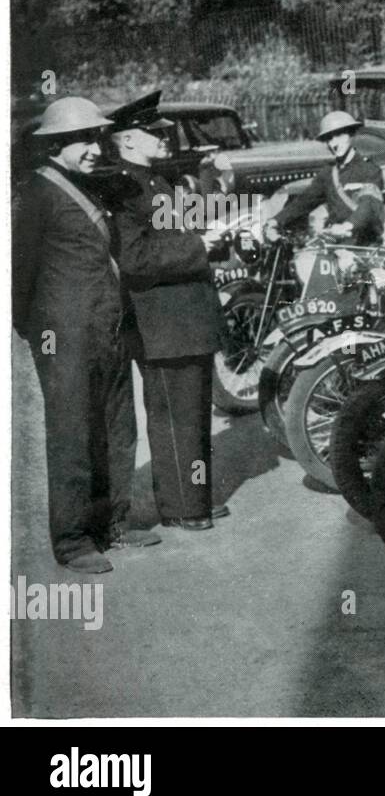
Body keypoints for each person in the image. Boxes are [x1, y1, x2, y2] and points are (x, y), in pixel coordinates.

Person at [12, 97, 142, 572]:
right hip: (65, 336)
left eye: (96, 138)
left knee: (115, 427)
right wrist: (41, 332)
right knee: (72, 435)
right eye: (82, 140)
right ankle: (71, 541)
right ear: (55, 145)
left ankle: (113, 524)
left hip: (105, 328)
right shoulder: (39, 194)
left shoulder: (83, 183)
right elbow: (18, 277)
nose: (93, 148)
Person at [106, 91, 229, 532]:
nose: (164, 136)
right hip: (162, 322)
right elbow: (135, 261)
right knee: (175, 416)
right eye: (153, 131)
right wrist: (199, 246)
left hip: (181, 319)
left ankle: (193, 498)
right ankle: (180, 507)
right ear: (128, 141)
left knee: (193, 413)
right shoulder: (125, 187)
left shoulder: (152, 181)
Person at [263, 110, 385, 245]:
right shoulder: (328, 173)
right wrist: (276, 220)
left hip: (365, 244)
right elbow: (305, 201)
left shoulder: (369, 170)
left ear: (351, 134)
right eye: (329, 139)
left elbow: (368, 206)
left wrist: (348, 225)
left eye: (339, 135)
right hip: (336, 242)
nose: (334, 144)